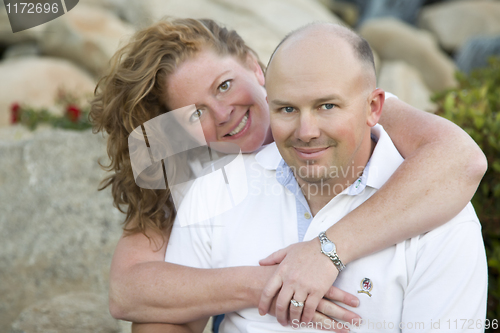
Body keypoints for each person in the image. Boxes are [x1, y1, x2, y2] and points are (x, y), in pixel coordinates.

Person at [89, 18, 487, 331]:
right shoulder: (206, 177)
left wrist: (327, 251)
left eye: (224, 85)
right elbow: (129, 292)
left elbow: (461, 160)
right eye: (196, 113)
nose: (223, 113)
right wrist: (272, 283)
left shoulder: (339, 91)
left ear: (253, 65)